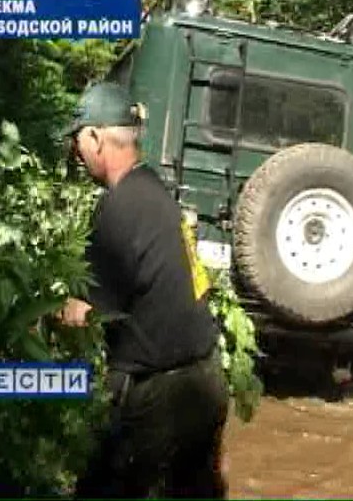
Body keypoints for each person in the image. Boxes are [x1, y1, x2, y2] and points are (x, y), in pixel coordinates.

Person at [56, 82, 230, 498]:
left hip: (161, 396)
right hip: (206, 382)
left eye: (78, 142)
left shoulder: (119, 208)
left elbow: (85, 315)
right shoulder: (153, 190)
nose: (77, 154)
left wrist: (45, 317)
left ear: (96, 137)